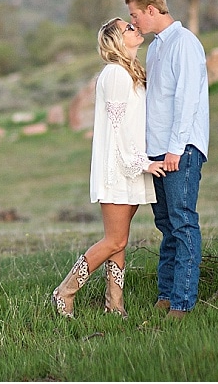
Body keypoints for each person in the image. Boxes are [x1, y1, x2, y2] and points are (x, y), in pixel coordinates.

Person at [51, 18, 166, 318]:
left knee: (120, 239)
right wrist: (143, 163)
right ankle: (65, 291)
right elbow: (117, 129)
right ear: (116, 40)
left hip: (131, 168)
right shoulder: (115, 74)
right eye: (128, 28)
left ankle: (114, 305)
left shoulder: (130, 72)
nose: (134, 28)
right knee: (115, 239)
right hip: (118, 168)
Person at [125, 0, 209, 321]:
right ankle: (165, 294)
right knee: (165, 224)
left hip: (180, 150)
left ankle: (183, 303)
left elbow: (187, 100)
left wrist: (175, 149)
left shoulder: (184, 43)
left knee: (183, 222)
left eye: (134, 15)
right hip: (158, 153)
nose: (133, 22)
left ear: (150, 9)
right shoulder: (157, 48)